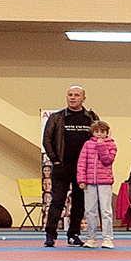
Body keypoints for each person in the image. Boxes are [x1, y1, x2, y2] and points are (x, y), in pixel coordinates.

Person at [39, 86, 93, 248]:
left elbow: (99, 139)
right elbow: (47, 140)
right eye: (70, 95)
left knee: (79, 202)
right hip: (61, 166)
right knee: (57, 201)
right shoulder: (57, 117)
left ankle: (74, 234)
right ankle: (50, 234)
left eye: (77, 95)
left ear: (83, 98)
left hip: (83, 168)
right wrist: (55, 160)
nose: (72, 98)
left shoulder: (91, 117)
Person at [75, 117, 119, 250]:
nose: (99, 134)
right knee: (90, 211)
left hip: (105, 181)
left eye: (102, 131)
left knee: (106, 211)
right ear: (92, 132)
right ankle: (91, 238)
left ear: (107, 132)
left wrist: (101, 146)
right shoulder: (87, 144)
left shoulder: (111, 144)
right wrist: (81, 180)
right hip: (89, 182)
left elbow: (108, 160)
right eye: (96, 131)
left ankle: (108, 238)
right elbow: (81, 163)